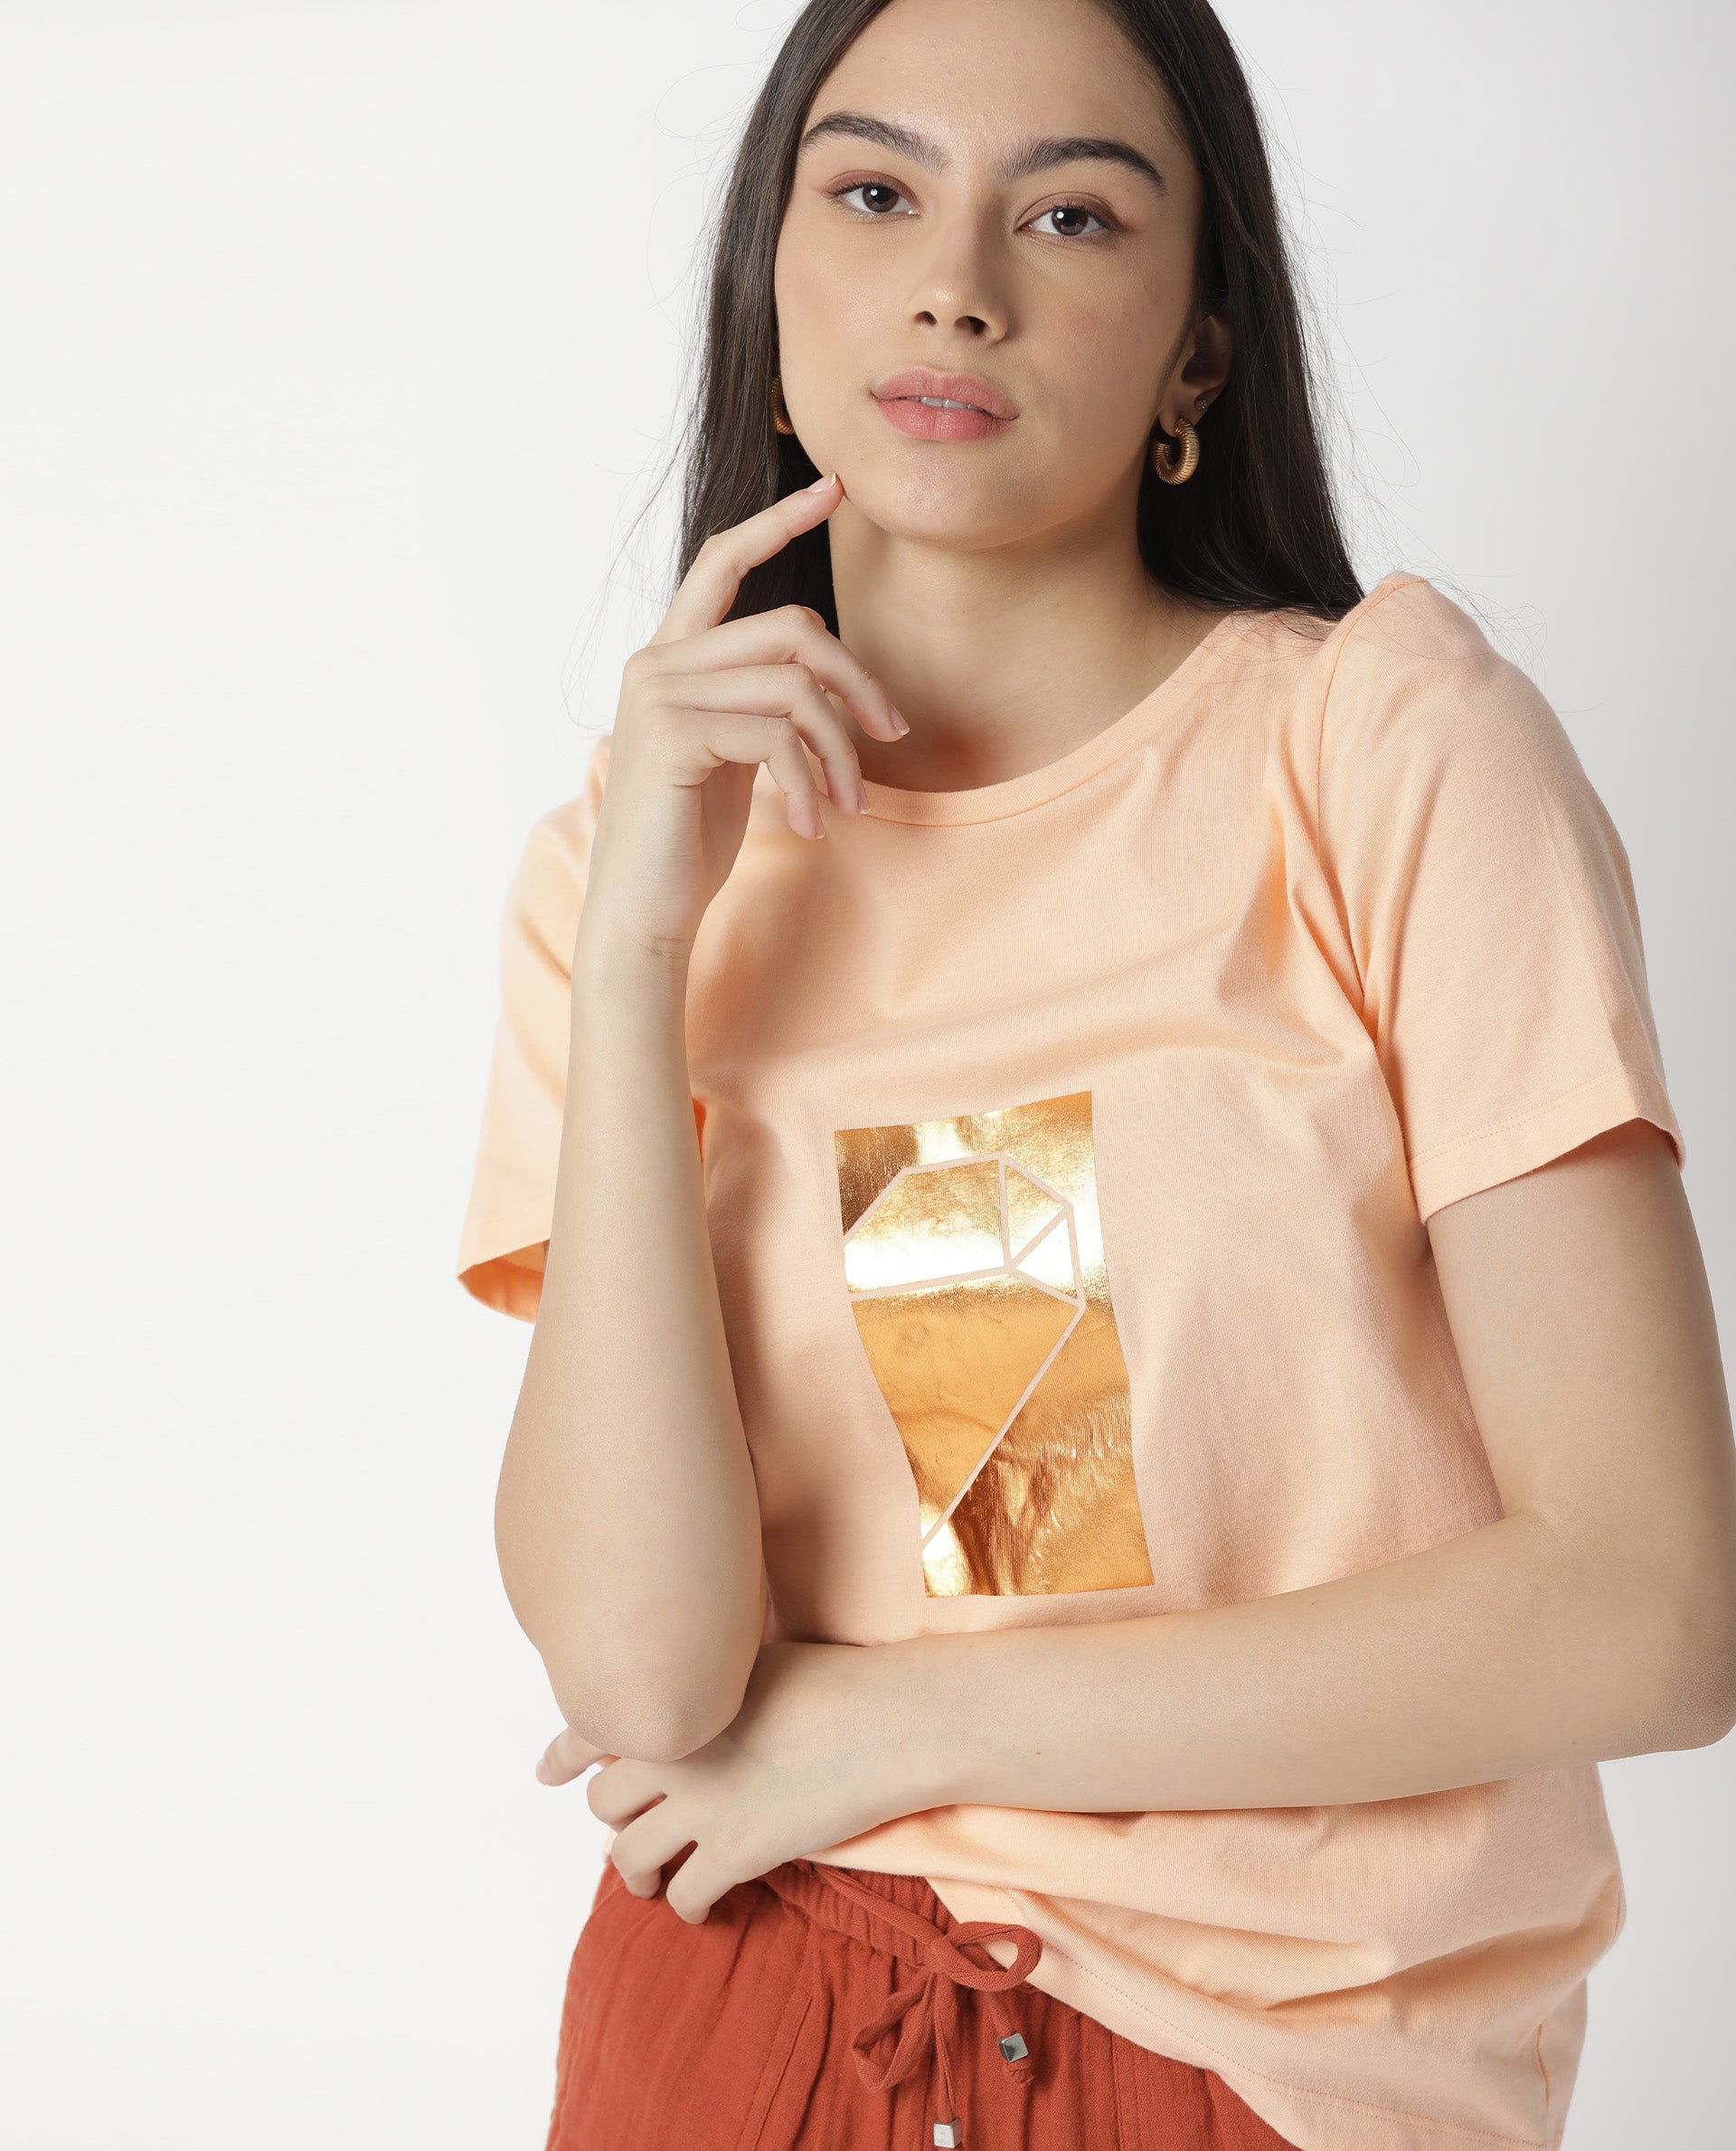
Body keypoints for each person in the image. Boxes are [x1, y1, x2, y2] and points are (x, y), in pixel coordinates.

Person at [454, 1, 1736, 2146]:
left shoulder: (1385, 760)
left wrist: (899, 1726)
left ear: (1198, 356)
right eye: (875, 192)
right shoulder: (620, 874)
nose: (956, 283)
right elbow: (644, 1676)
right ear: (773, 285)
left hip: (1264, 2074)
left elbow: (1652, 1606)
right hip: (749, 2019)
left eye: (1070, 215)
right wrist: (645, 958)